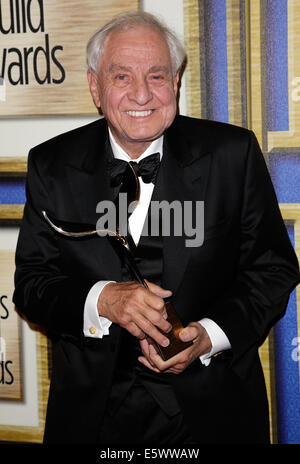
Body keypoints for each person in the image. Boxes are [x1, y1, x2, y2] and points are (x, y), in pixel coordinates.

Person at [13, 11, 299, 444]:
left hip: (213, 415)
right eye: (122, 76)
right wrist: (104, 300)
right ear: (95, 86)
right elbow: (33, 285)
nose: (142, 93)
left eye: (157, 76)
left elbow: (273, 269)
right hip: (93, 417)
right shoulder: (51, 165)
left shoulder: (232, 154)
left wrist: (209, 337)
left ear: (177, 82)